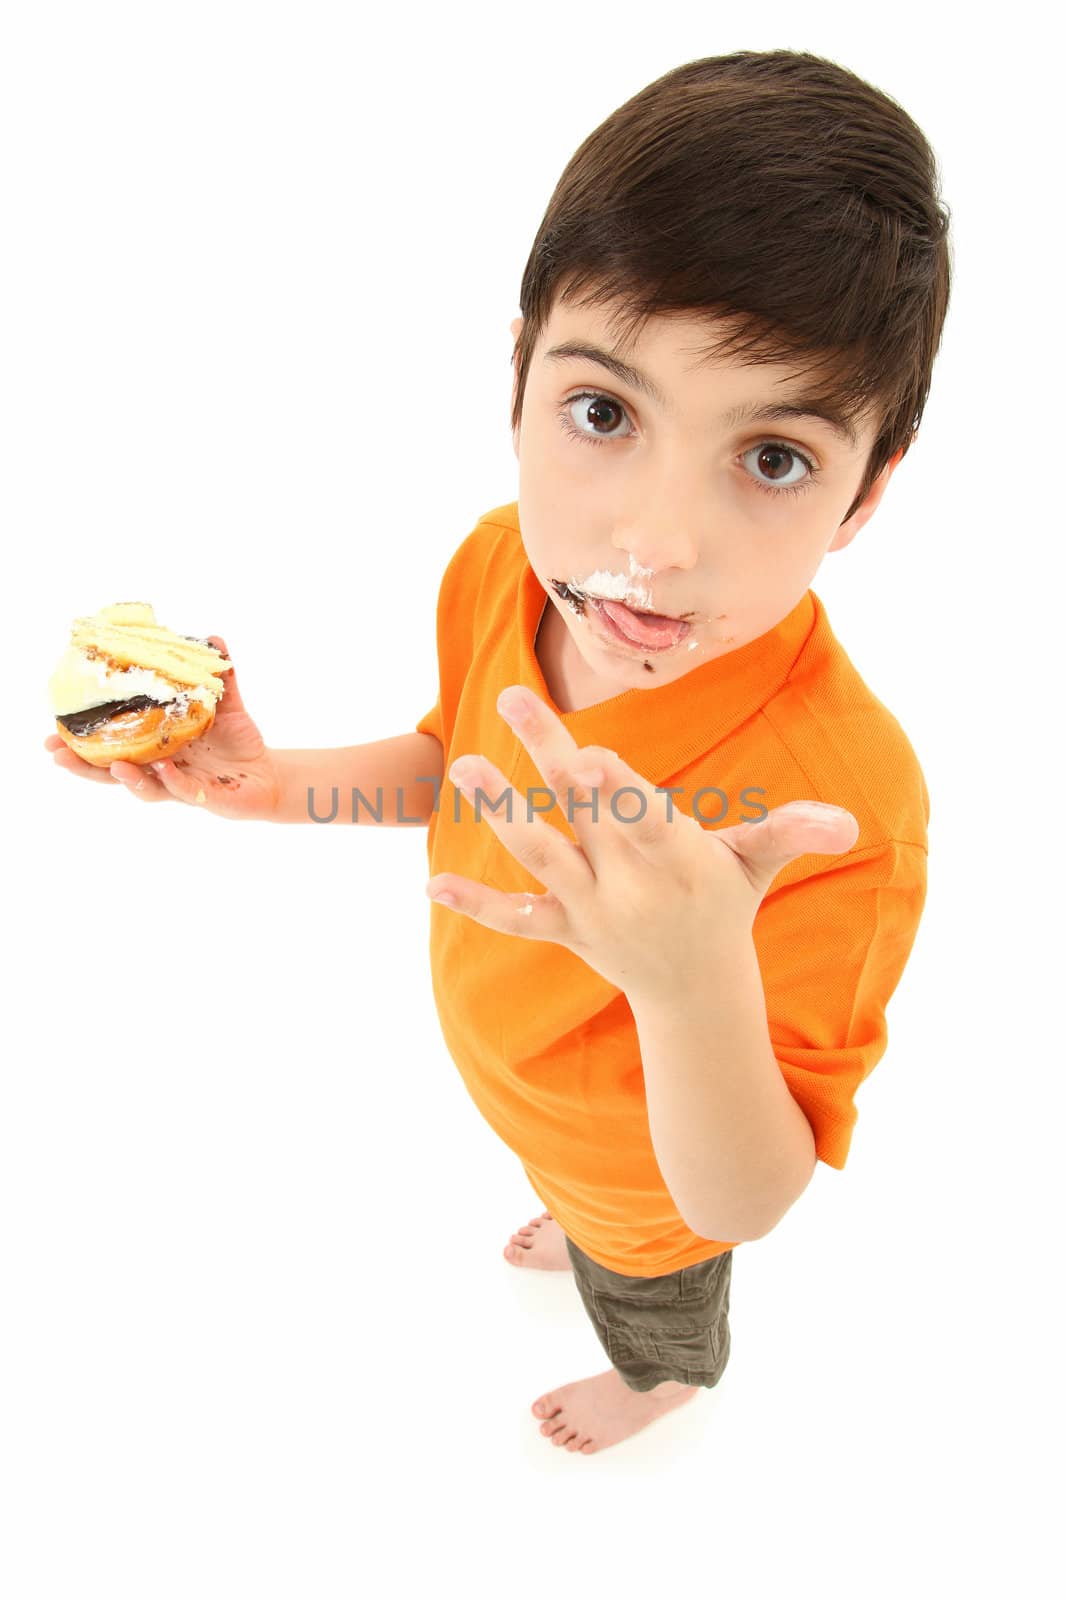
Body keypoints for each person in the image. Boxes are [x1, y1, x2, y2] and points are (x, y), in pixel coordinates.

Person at [45, 47, 951, 1458]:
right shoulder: (499, 569)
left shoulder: (845, 808)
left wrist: (694, 978)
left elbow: (749, 1196)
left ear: (865, 495)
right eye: (605, 413)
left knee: (651, 1291)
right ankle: (566, 1203)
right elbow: (452, 760)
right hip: (525, 1094)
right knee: (573, 1195)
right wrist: (268, 787)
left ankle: (661, 1378)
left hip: (661, 1200)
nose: (654, 545)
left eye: (772, 456)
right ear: (519, 377)